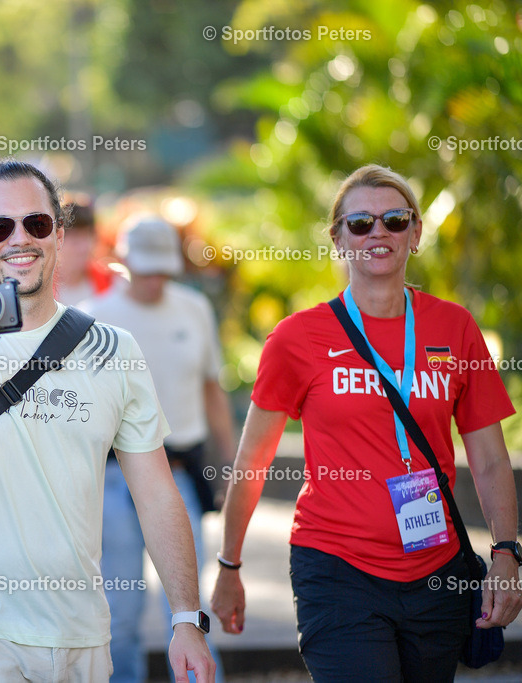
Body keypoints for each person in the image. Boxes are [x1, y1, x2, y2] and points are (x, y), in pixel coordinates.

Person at [0, 159, 215, 682]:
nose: (19, 239)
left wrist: (187, 619)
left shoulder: (113, 349)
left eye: (36, 223)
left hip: (80, 633)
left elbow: (156, 493)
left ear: (58, 231)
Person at [211, 164, 521, 682]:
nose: (378, 232)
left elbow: (489, 458)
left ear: (415, 234)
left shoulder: (454, 328)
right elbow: (252, 462)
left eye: (395, 220)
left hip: (436, 570)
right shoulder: (297, 338)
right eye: (360, 224)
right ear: (338, 239)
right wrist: (229, 566)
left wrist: (508, 554)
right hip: (336, 568)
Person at [82, 214, 235, 683]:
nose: (154, 281)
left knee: (190, 611)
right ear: (122, 261)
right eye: (144, 269)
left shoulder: (193, 309)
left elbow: (213, 390)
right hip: (113, 478)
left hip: (181, 473)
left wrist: (228, 467)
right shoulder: (92, 316)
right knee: (120, 612)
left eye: (161, 270)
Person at [55, 197, 119, 306]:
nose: (84, 247)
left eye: (88, 237)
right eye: (76, 239)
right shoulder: (41, 288)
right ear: (58, 239)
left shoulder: (111, 281)